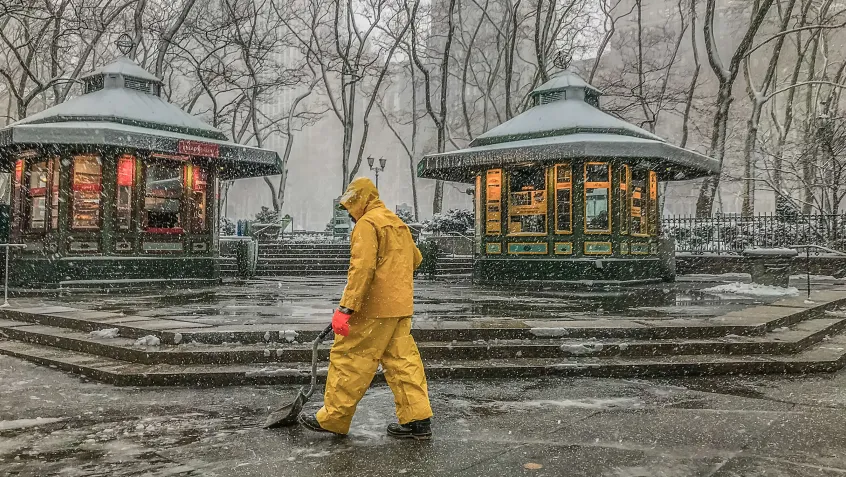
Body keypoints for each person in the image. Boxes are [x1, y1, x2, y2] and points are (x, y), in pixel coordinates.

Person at [298, 177, 434, 440]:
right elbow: (416, 259)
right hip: (400, 308)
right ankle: (418, 421)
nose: (349, 211)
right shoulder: (398, 224)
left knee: (350, 359)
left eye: (350, 205)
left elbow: (362, 269)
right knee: (402, 362)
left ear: (360, 201)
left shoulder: (367, 224)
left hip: (372, 309)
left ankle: (334, 417)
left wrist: (346, 309)